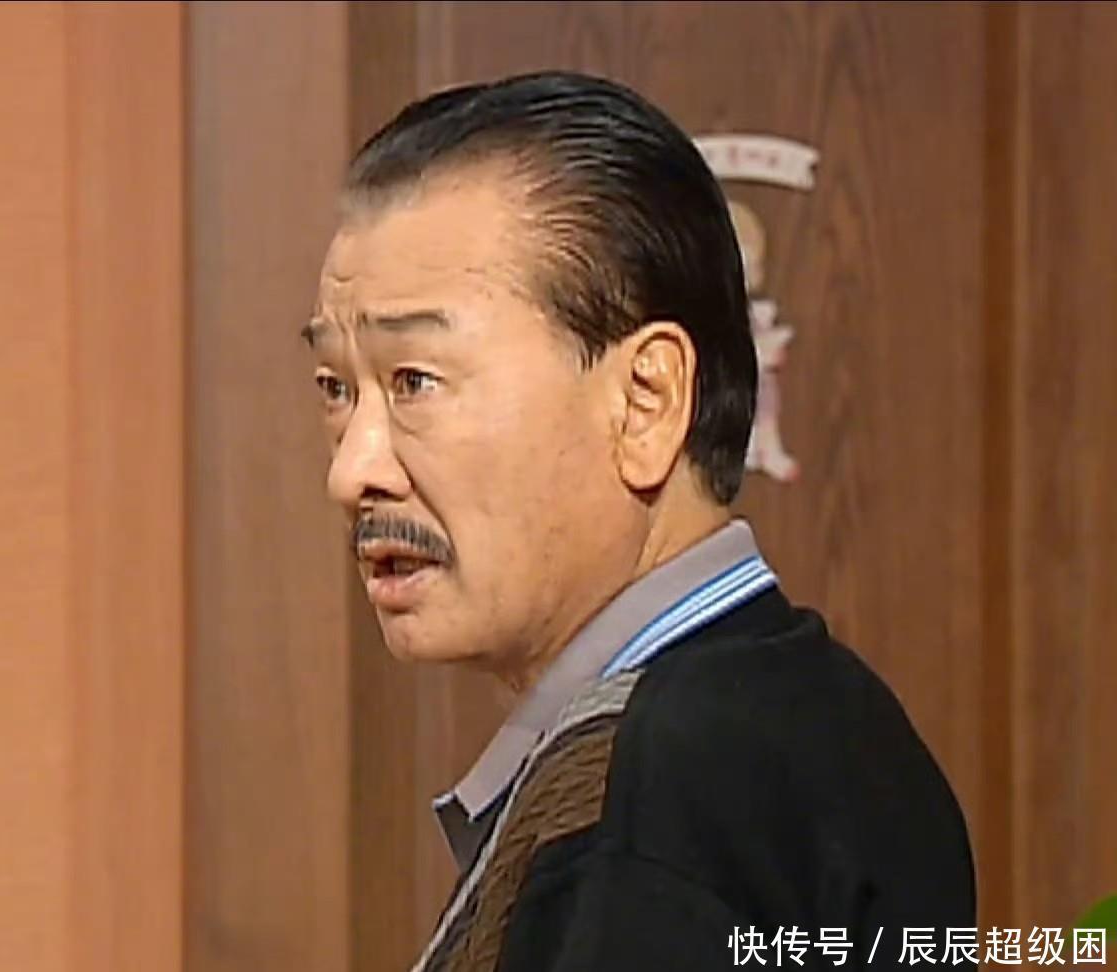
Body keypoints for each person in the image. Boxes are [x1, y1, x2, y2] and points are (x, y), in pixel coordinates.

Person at [301, 71, 975, 971]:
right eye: (336, 388)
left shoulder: (663, 787)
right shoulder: (815, 715)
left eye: (415, 380)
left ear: (645, 400)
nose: (353, 471)